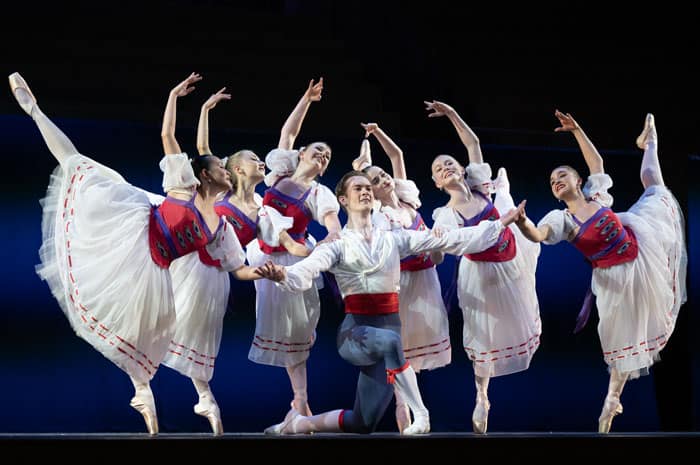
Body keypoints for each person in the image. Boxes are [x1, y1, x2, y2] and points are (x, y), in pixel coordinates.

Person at [10, 71, 267, 435]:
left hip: (156, 266)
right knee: (79, 165)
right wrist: (175, 97)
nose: (227, 172)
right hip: (135, 227)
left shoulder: (221, 228)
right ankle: (34, 111)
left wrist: (266, 273)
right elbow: (168, 136)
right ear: (206, 177)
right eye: (222, 169)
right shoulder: (185, 186)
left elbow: (238, 268)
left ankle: (145, 391)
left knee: (147, 333)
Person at [256, 170, 527, 435]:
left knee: (362, 422)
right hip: (354, 335)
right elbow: (308, 268)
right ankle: (421, 414)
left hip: (389, 332)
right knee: (392, 343)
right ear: (343, 200)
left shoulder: (393, 239)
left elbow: (449, 238)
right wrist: (284, 274)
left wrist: (500, 223)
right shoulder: (337, 245)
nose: (364, 191)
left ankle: (299, 423)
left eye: (367, 188)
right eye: (357, 188)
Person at [513, 110, 687, 433]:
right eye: (552, 181)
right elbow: (539, 235)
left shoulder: (595, 196)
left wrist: (577, 129)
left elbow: (597, 165)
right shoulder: (562, 219)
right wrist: (523, 222)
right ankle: (611, 401)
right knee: (621, 341)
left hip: (639, 248)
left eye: (562, 175)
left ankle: (650, 142)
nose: (557, 181)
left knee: (656, 190)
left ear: (578, 181)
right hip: (612, 280)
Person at [158, 85, 295, 435]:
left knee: (194, 338)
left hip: (213, 274)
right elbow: (199, 150)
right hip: (188, 253)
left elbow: (240, 266)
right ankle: (148, 385)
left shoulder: (262, 210)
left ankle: (205, 397)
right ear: (232, 169)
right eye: (252, 158)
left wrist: (268, 270)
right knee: (156, 317)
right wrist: (202, 109)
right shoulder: (222, 187)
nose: (260, 162)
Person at [426, 100, 542, 434]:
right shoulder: (444, 215)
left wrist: (451, 113)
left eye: (449, 163)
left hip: (510, 260)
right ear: (435, 183)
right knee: (480, 334)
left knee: (520, 312)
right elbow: (459, 244)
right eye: (438, 169)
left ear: (462, 170)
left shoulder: (478, 185)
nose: (446, 168)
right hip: (480, 274)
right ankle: (481, 394)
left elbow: (472, 143)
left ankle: (504, 188)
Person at [246, 78, 343, 433]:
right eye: (317, 149)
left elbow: (332, 224)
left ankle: (299, 400)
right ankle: (299, 400)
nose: (322, 156)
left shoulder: (320, 194)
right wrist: (306, 99)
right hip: (263, 255)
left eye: (327, 157)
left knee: (299, 331)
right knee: (285, 331)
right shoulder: (280, 171)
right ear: (302, 153)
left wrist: (330, 241)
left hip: (294, 260)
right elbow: (288, 132)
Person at [351, 122, 450, 432]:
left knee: (419, 343)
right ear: (373, 191)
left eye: (385, 176)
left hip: (426, 279)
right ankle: (402, 404)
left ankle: (410, 401)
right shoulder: (380, 216)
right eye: (378, 180)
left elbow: (397, 154)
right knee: (401, 346)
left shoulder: (407, 199)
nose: (386, 180)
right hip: (402, 283)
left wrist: (378, 131)